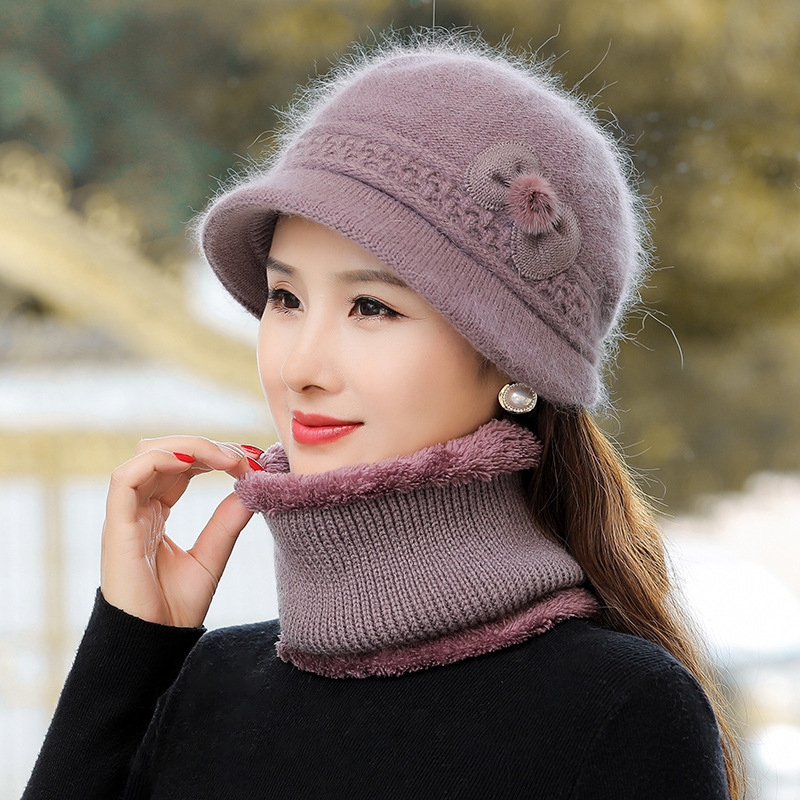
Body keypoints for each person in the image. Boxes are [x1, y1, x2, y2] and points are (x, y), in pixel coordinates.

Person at [23, 32, 743, 799]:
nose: (300, 367)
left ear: (515, 359)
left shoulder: (619, 710)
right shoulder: (205, 683)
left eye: (371, 307)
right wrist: (130, 646)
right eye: (285, 298)